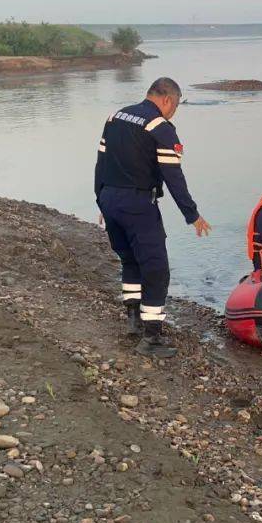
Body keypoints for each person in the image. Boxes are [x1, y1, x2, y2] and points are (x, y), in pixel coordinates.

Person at [94, 77, 212, 358]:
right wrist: (191, 214)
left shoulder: (115, 117)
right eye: (176, 106)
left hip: (110, 198)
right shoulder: (161, 128)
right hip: (137, 203)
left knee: (129, 260)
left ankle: (133, 320)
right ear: (168, 99)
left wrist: (102, 199)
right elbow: (174, 177)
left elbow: (101, 162)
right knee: (157, 269)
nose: (173, 112)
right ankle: (151, 338)